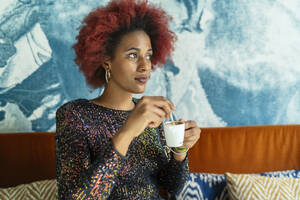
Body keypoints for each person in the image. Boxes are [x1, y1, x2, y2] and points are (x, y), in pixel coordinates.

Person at [55, 0, 201, 199]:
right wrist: (126, 132)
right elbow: (75, 197)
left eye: (148, 56)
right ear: (107, 61)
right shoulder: (74, 115)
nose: (145, 66)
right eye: (133, 55)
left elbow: (171, 187)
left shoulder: (150, 115)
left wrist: (180, 151)